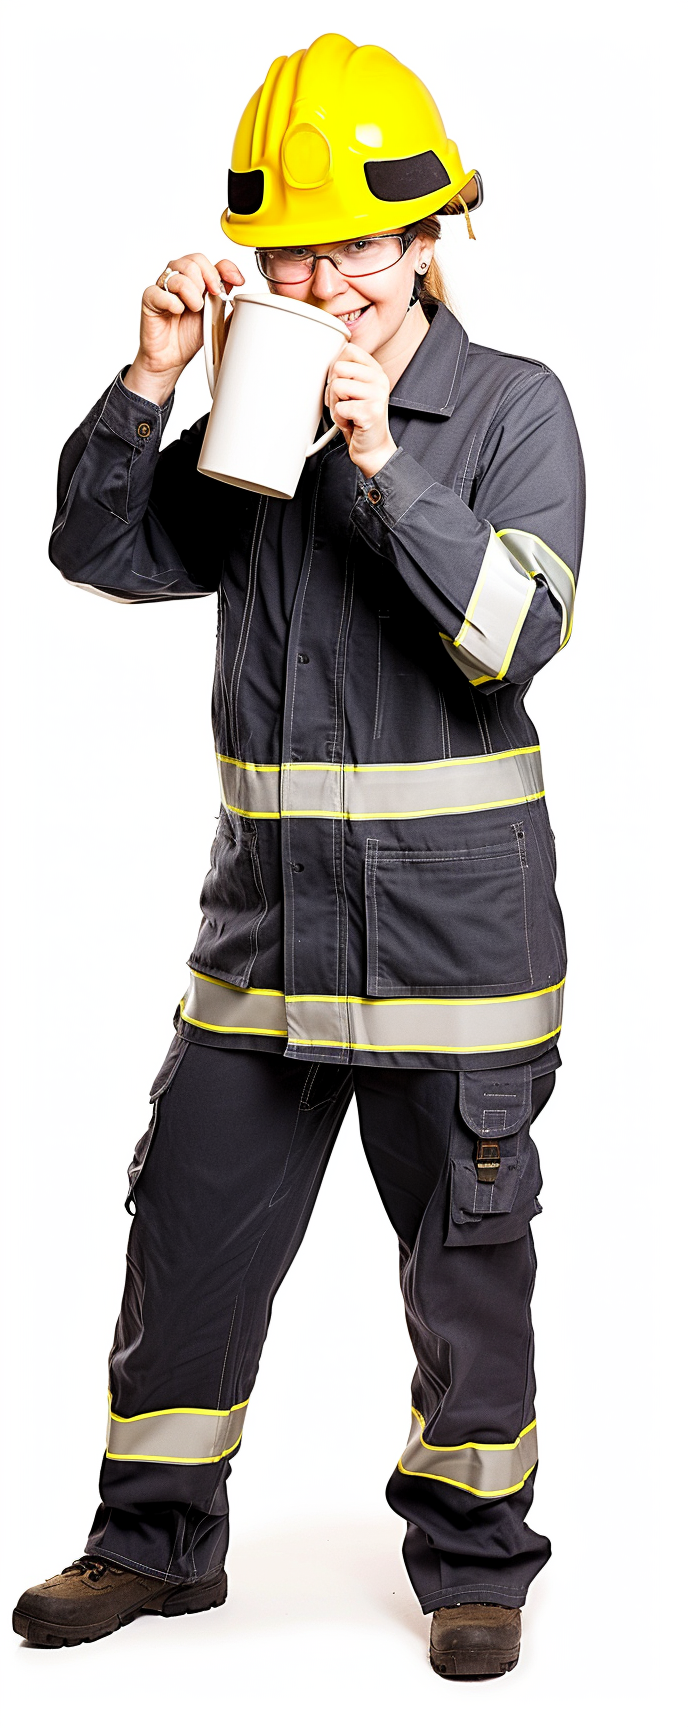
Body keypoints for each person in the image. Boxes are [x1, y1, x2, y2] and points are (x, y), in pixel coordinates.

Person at [13, 33, 584, 1678]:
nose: (320, 273)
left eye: (352, 240)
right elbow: (103, 552)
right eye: (291, 244)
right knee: (181, 1239)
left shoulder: (508, 411)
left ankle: (477, 1562)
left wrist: (383, 464)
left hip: (458, 955)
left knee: (468, 1276)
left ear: (428, 237)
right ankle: (152, 1546)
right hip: (262, 945)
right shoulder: (252, 410)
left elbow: (513, 636)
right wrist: (155, 379)